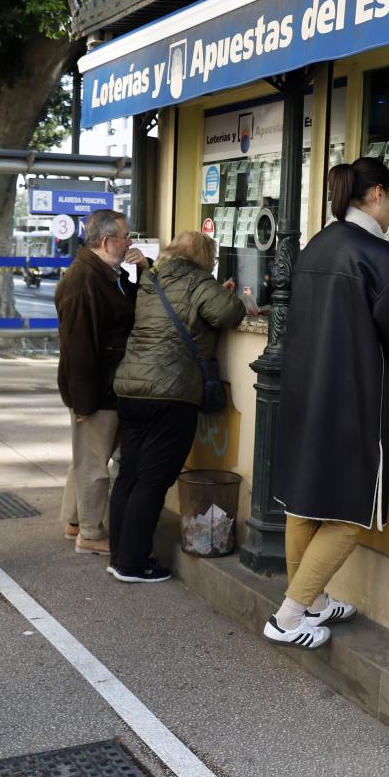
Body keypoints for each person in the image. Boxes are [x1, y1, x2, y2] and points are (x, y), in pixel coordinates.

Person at [266, 158, 389, 649]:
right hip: (353, 400)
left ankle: (313, 599)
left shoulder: (316, 245)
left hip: (304, 394)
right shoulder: (377, 256)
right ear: (379, 194)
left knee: (303, 503)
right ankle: (289, 617)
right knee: (349, 514)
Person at [107, 230, 244, 583]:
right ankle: (133, 564)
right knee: (152, 481)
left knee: (129, 475)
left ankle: (119, 553)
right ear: (203, 257)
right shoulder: (199, 281)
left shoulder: (152, 279)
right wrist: (227, 293)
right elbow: (229, 313)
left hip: (130, 388)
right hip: (170, 394)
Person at [55, 209, 146, 556]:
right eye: (126, 237)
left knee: (87, 458)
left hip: (103, 385)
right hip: (98, 389)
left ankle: (76, 521)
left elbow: (125, 313)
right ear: (107, 241)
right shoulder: (83, 281)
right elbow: (78, 347)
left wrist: (138, 274)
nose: (130, 243)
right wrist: (83, 401)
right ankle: (90, 533)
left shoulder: (103, 274)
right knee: (94, 464)